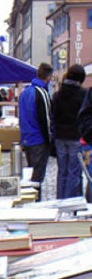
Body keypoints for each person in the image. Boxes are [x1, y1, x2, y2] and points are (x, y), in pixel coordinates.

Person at [19, 61, 54, 199]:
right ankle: (36, 201)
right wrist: (49, 141)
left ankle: (30, 199)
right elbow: (46, 120)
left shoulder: (25, 93)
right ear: (48, 77)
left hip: (27, 138)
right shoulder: (41, 93)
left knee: (31, 174)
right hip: (38, 139)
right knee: (37, 177)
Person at [52, 63, 86, 199]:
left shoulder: (57, 95)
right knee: (74, 171)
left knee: (62, 171)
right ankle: (70, 203)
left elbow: (53, 115)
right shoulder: (83, 95)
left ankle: (60, 200)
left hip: (60, 136)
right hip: (76, 137)